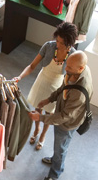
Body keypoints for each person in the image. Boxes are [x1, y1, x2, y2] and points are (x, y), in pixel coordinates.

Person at [29, 50, 92, 180]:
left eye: (69, 67)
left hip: (67, 124)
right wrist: (48, 100)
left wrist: (39, 118)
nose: (65, 69)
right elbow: (64, 87)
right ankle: (54, 159)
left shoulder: (78, 93)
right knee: (59, 146)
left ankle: (55, 172)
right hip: (64, 117)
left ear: (80, 68)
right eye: (66, 64)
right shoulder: (77, 72)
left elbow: (64, 117)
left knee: (61, 148)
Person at [13, 22, 78, 151]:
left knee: (50, 112)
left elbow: (72, 77)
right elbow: (32, 66)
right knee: (38, 108)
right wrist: (19, 77)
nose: (58, 45)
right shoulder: (48, 46)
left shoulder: (73, 55)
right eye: (57, 41)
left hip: (57, 85)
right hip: (42, 81)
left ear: (69, 43)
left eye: (62, 43)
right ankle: (37, 129)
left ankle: (42, 135)